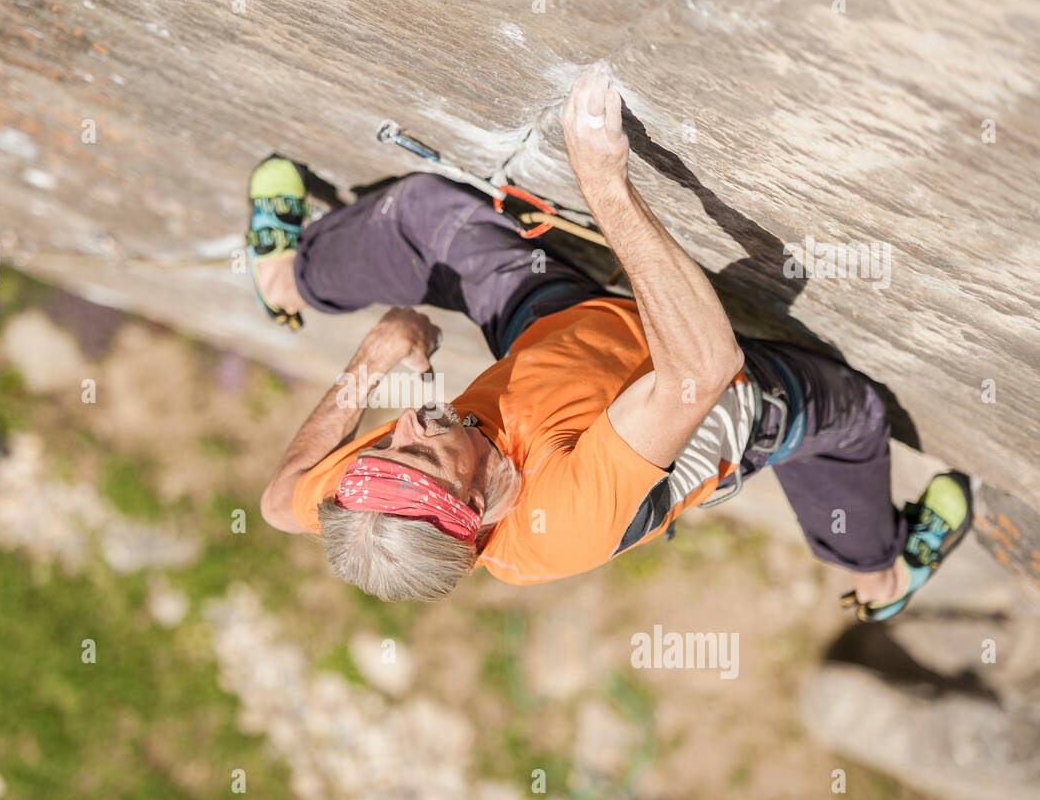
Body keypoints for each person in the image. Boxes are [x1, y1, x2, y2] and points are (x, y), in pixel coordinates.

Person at [250, 64, 971, 620]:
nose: (405, 424)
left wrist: (372, 358)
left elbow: (280, 502)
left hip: (555, 338)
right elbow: (702, 367)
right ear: (472, 508)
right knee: (853, 419)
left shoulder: (375, 504)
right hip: (715, 400)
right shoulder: (559, 517)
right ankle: (880, 574)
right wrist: (607, 187)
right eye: (421, 451)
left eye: (385, 443)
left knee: (424, 215)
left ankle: (288, 280)